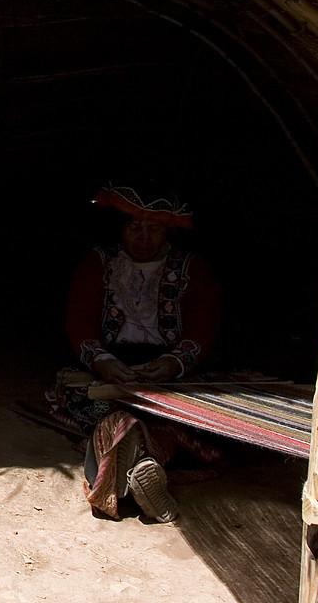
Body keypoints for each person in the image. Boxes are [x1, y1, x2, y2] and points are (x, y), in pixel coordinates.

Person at [48, 183, 222, 523]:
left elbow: (204, 327)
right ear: (120, 228)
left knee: (182, 416)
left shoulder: (193, 269)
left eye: (153, 228)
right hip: (111, 368)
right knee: (100, 405)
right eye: (135, 227)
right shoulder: (98, 263)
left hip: (170, 372)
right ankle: (145, 466)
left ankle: (133, 466)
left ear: (167, 231)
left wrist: (171, 364)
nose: (143, 237)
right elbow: (79, 320)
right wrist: (105, 362)